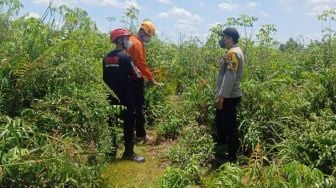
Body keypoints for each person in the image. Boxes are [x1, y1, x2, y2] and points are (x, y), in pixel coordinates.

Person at [103, 28, 145, 163]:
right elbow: (136, 75)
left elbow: (105, 78)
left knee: (112, 123)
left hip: (110, 96)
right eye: (126, 38)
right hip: (126, 97)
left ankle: (111, 151)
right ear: (120, 40)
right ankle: (128, 153)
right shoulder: (126, 57)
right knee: (128, 124)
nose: (128, 41)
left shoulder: (106, 58)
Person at [127, 21, 163, 142]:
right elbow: (141, 65)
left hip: (127, 79)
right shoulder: (137, 44)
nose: (149, 39)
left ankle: (130, 134)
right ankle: (141, 135)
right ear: (143, 33)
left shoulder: (130, 40)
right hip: (136, 80)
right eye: (149, 36)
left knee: (130, 108)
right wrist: (151, 79)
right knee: (139, 108)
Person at [215, 27, 244, 162]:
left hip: (229, 96)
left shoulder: (232, 53)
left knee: (229, 126)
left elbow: (230, 77)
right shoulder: (233, 51)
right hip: (228, 95)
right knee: (221, 123)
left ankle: (231, 157)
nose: (223, 40)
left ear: (230, 39)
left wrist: (221, 97)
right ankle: (222, 151)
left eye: (224, 37)